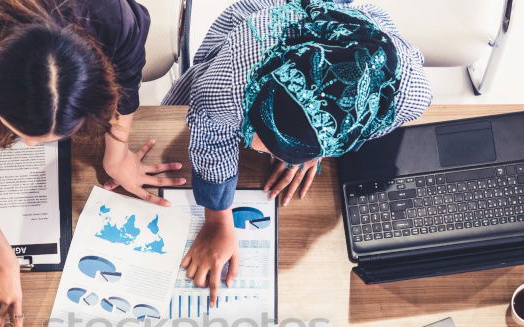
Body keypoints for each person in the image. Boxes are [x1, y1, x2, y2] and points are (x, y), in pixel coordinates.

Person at [0, 0, 185, 327]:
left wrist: (117, 153)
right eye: (23, 135)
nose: (30, 147)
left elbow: (126, 79)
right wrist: (1, 260)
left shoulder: (110, 16)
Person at [163, 0, 431, 304]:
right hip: (266, 26)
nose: (262, 151)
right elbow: (209, 129)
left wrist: (315, 146)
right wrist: (217, 220)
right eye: (258, 132)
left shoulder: (407, 94)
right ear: (257, 91)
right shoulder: (228, 85)